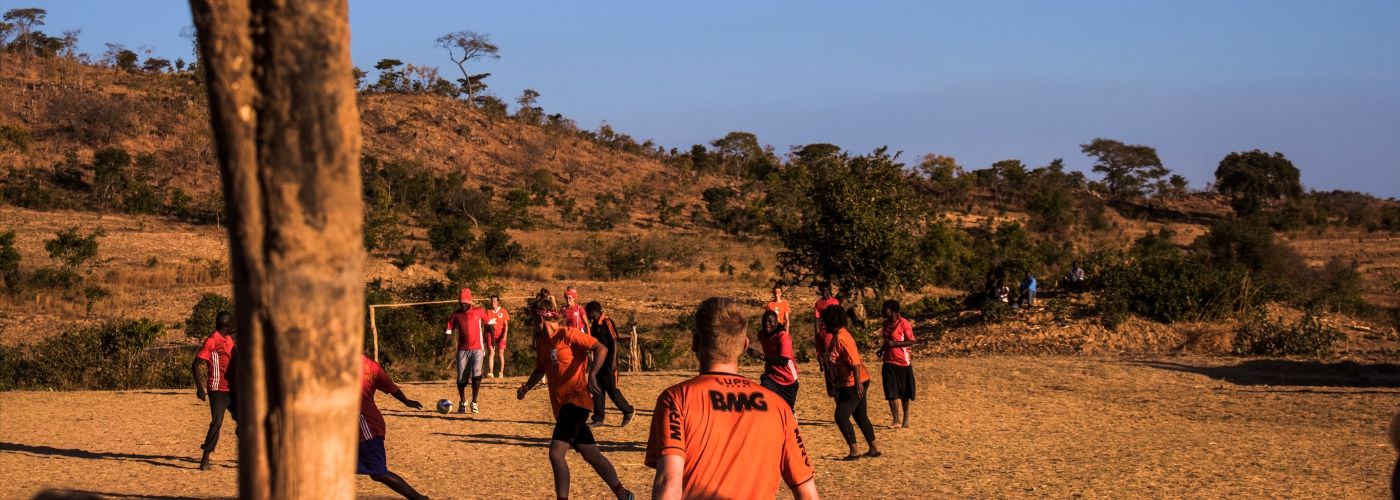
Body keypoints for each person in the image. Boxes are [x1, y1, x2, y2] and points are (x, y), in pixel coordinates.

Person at [646, 298, 818, 499]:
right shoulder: (779, 408)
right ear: (745, 346)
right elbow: (808, 493)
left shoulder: (676, 399)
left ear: (694, 342)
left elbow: (669, 484)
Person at [517, 307, 635, 500]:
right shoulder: (543, 343)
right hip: (561, 407)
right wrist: (526, 388)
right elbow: (540, 370)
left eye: (534, 320)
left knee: (556, 454)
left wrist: (593, 376)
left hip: (577, 401)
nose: (533, 325)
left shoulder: (568, 334)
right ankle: (624, 494)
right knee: (592, 455)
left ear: (541, 318)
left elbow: (601, 348)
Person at [357, 353, 428, 500]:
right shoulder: (371, 366)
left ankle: (420, 499)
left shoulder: (340, 366)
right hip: (365, 425)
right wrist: (407, 401)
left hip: (366, 428)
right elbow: (392, 388)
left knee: (379, 473)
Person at [823, 305, 879, 460]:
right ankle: (874, 448)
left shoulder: (841, 338)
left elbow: (854, 361)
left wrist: (858, 384)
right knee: (860, 416)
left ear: (831, 322)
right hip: (855, 381)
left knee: (841, 416)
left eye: (825, 322)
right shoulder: (838, 335)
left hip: (854, 382)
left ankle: (854, 451)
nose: (823, 325)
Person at [192, 311, 236, 471]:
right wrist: (200, 388)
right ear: (227, 325)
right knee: (217, 422)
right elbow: (196, 364)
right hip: (217, 389)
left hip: (232, 388)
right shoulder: (212, 341)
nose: (234, 327)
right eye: (232, 324)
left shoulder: (229, 339)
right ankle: (205, 459)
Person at [585, 301, 634, 427]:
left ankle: (628, 411)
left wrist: (613, 361)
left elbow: (614, 341)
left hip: (608, 362)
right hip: (598, 361)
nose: (586, 314)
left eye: (587, 311)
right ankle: (598, 418)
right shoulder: (595, 324)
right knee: (597, 389)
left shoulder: (607, 322)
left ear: (593, 311)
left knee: (612, 389)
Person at [441, 287, 488, 414]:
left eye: (465, 304)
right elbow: (449, 329)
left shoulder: (479, 311)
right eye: (461, 303)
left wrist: (491, 341)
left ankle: (474, 402)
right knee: (461, 379)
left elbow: (488, 323)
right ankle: (463, 401)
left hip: (477, 349)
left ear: (470, 303)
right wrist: (443, 346)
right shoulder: (456, 314)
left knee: (476, 376)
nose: (463, 306)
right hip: (462, 350)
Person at [747, 309, 799, 410]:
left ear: (777, 322)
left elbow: (784, 361)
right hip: (771, 377)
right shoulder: (762, 335)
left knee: (787, 411)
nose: (767, 324)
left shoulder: (783, 337)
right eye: (764, 321)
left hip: (788, 379)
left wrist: (760, 356)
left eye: (770, 321)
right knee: (763, 398)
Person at [878, 300, 916, 428]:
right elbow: (887, 341)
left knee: (904, 393)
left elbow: (911, 341)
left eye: (885, 309)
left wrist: (895, 344)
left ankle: (906, 414)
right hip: (888, 361)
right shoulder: (885, 324)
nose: (883, 311)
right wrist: (882, 350)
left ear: (892, 311)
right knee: (891, 391)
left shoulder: (904, 323)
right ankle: (896, 420)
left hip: (903, 362)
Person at [812, 284, 840, 396]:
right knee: (825, 358)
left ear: (829, 291)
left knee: (833, 356)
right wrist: (817, 334)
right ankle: (832, 386)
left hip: (832, 332)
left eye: (826, 290)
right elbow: (816, 319)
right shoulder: (818, 304)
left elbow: (839, 317)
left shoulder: (835, 302)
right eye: (822, 290)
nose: (824, 292)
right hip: (824, 333)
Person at [486, 295, 511, 379]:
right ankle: (491, 373)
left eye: (494, 301)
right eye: (492, 301)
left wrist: (504, 336)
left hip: (501, 334)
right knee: (491, 352)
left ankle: (501, 373)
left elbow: (506, 325)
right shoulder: (488, 311)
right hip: (491, 334)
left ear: (498, 302)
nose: (493, 303)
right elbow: (486, 324)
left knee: (500, 354)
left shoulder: (503, 311)